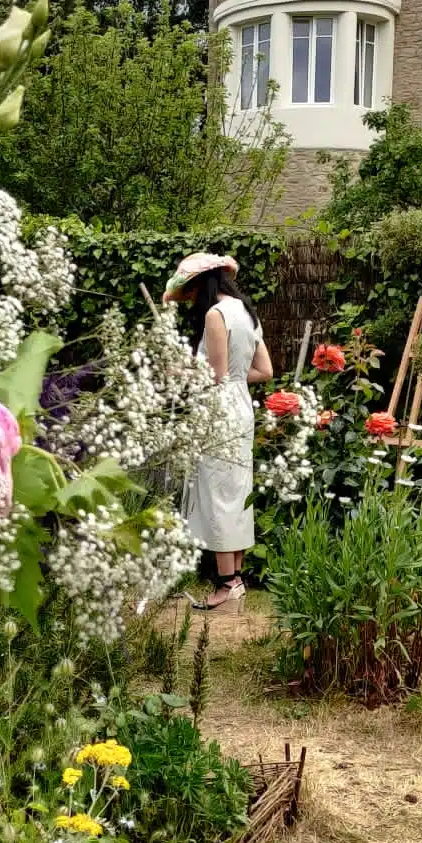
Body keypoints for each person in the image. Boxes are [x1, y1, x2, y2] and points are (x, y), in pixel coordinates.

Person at [163, 251, 273, 610]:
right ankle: (236, 581)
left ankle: (226, 586)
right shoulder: (246, 312)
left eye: (191, 291)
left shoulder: (215, 314)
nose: (191, 299)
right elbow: (265, 372)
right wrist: (235, 380)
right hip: (241, 408)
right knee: (236, 491)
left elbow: (215, 376)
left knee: (219, 494)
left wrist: (178, 373)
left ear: (201, 284)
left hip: (218, 412)